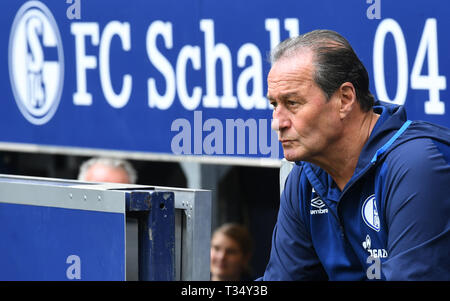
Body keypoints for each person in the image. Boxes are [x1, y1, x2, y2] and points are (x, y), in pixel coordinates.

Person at [260, 30, 450, 280]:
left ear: (345, 99)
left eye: (293, 103)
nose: (277, 122)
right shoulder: (305, 178)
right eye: (274, 105)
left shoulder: (417, 165)